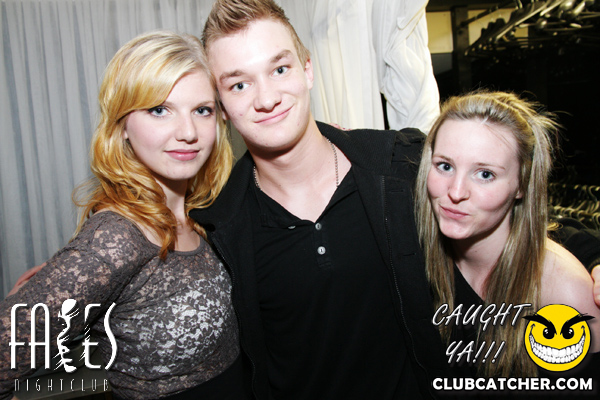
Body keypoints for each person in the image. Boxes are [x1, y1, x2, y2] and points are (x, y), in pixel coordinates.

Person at [191, 0, 451, 398]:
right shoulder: (218, 232)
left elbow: (493, 221)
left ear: (307, 69)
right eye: (239, 85)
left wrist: (566, 259)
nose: (267, 98)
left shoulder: (400, 166)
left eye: (280, 69)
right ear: (222, 107)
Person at [0, 31, 249, 400]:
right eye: (159, 110)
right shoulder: (116, 236)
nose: (188, 132)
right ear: (122, 126)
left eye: (202, 110)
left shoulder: (203, 212)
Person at [414, 90, 600, 379]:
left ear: (522, 185)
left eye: (485, 174)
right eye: (445, 166)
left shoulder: (564, 294)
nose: (456, 192)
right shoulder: (412, 250)